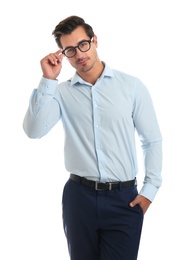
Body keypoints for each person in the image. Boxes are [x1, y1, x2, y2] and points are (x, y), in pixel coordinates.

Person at [23, 15, 162, 260]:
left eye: (83, 44)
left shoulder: (131, 87)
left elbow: (151, 141)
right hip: (79, 198)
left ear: (94, 40)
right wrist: (48, 80)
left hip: (124, 199)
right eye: (70, 50)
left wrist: (149, 191)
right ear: (63, 54)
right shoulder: (61, 92)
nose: (79, 54)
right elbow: (33, 131)